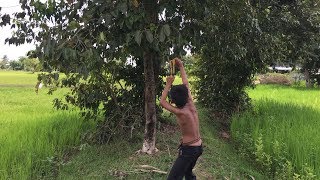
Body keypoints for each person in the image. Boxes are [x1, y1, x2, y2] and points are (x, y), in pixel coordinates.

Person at [160, 58, 203, 180]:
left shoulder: (181, 112)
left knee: (173, 178)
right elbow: (186, 84)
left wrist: (168, 84)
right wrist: (181, 66)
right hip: (199, 147)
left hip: (189, 150)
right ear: (186, 95)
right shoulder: (191, 105)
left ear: (173, 101)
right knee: (188, 173)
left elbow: (162, 102)